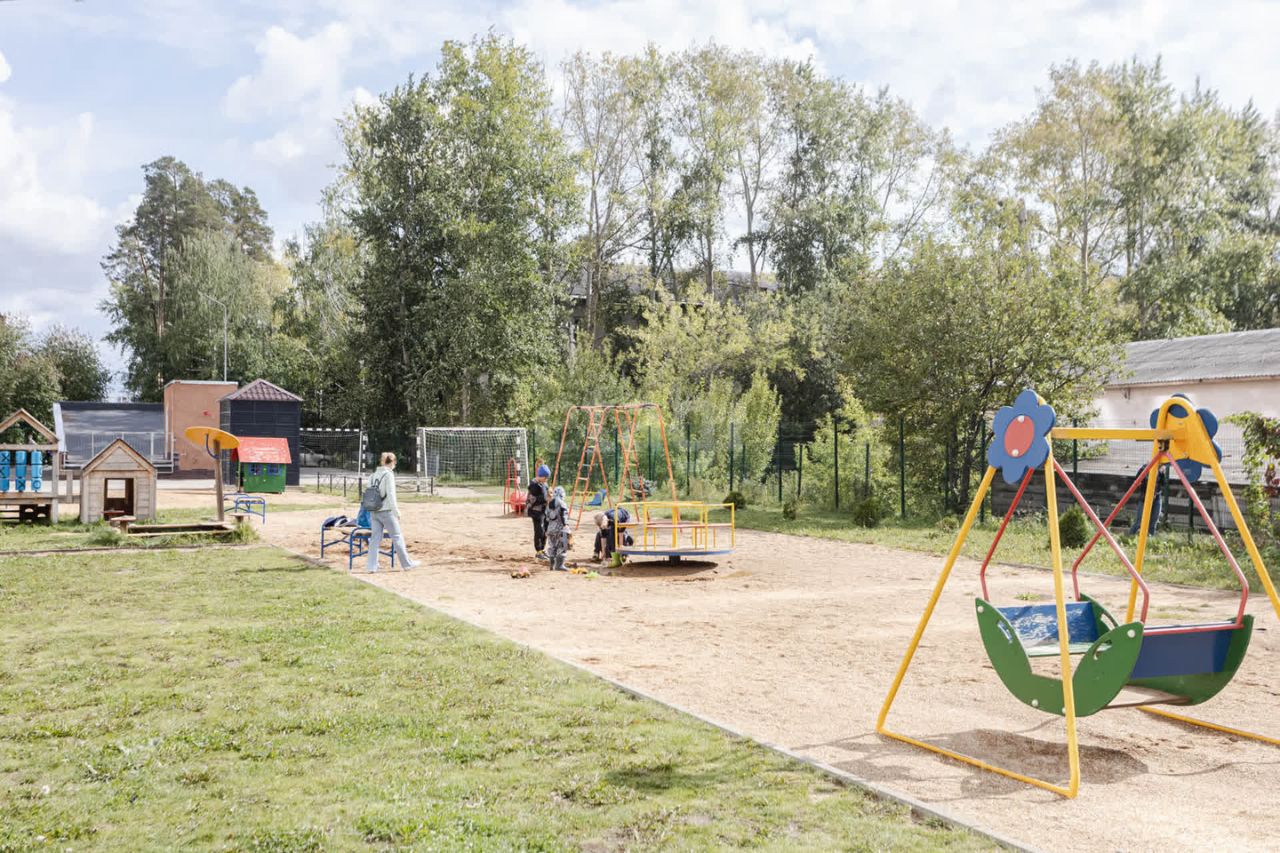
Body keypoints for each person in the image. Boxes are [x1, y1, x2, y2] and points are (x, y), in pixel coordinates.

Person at [365, 452, 420, 572]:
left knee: (375, 539)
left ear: (382, 461)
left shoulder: (373, 475)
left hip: (374, 511)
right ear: (393, 462)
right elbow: (391, 495)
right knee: (397, 536)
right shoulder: (388, 475)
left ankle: (371, 566)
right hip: (386, 511)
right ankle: (407, 564)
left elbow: (368, 491)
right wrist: (396, 512)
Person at [1127, 465, 1167, 536]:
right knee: (1139, 521)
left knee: (1153, 523)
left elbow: (1163, 483)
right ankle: (1129, 536)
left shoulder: (1160, 470)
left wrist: (1162, 473)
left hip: (1156, 498)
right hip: (1144, 498)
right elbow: (1137, 480)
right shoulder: (1144, 468)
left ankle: (1149, 539)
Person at [544, 485, 570, 571]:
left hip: (550, 529)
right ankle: (559, 565)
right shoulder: (561, 503)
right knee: (562, 546)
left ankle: (552, 565)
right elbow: (563, 513)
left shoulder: (549, 504)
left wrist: (546, 530)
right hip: (560, 528)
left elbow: (546, 519)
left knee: (552, 546)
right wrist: (565, 524)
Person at [527, 464, 551, 559]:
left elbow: (546, 494)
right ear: (540, 476)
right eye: (545, 477)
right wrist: (545, 498)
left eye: (547, 478)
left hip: (544, 511)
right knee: (539, 531)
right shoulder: (533, 485)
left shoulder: (544, 484)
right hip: (536, 511)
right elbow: (533, 500)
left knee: (545, 530)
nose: (546, 480)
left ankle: (542, 549)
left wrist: (550, 493)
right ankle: (538, 551)